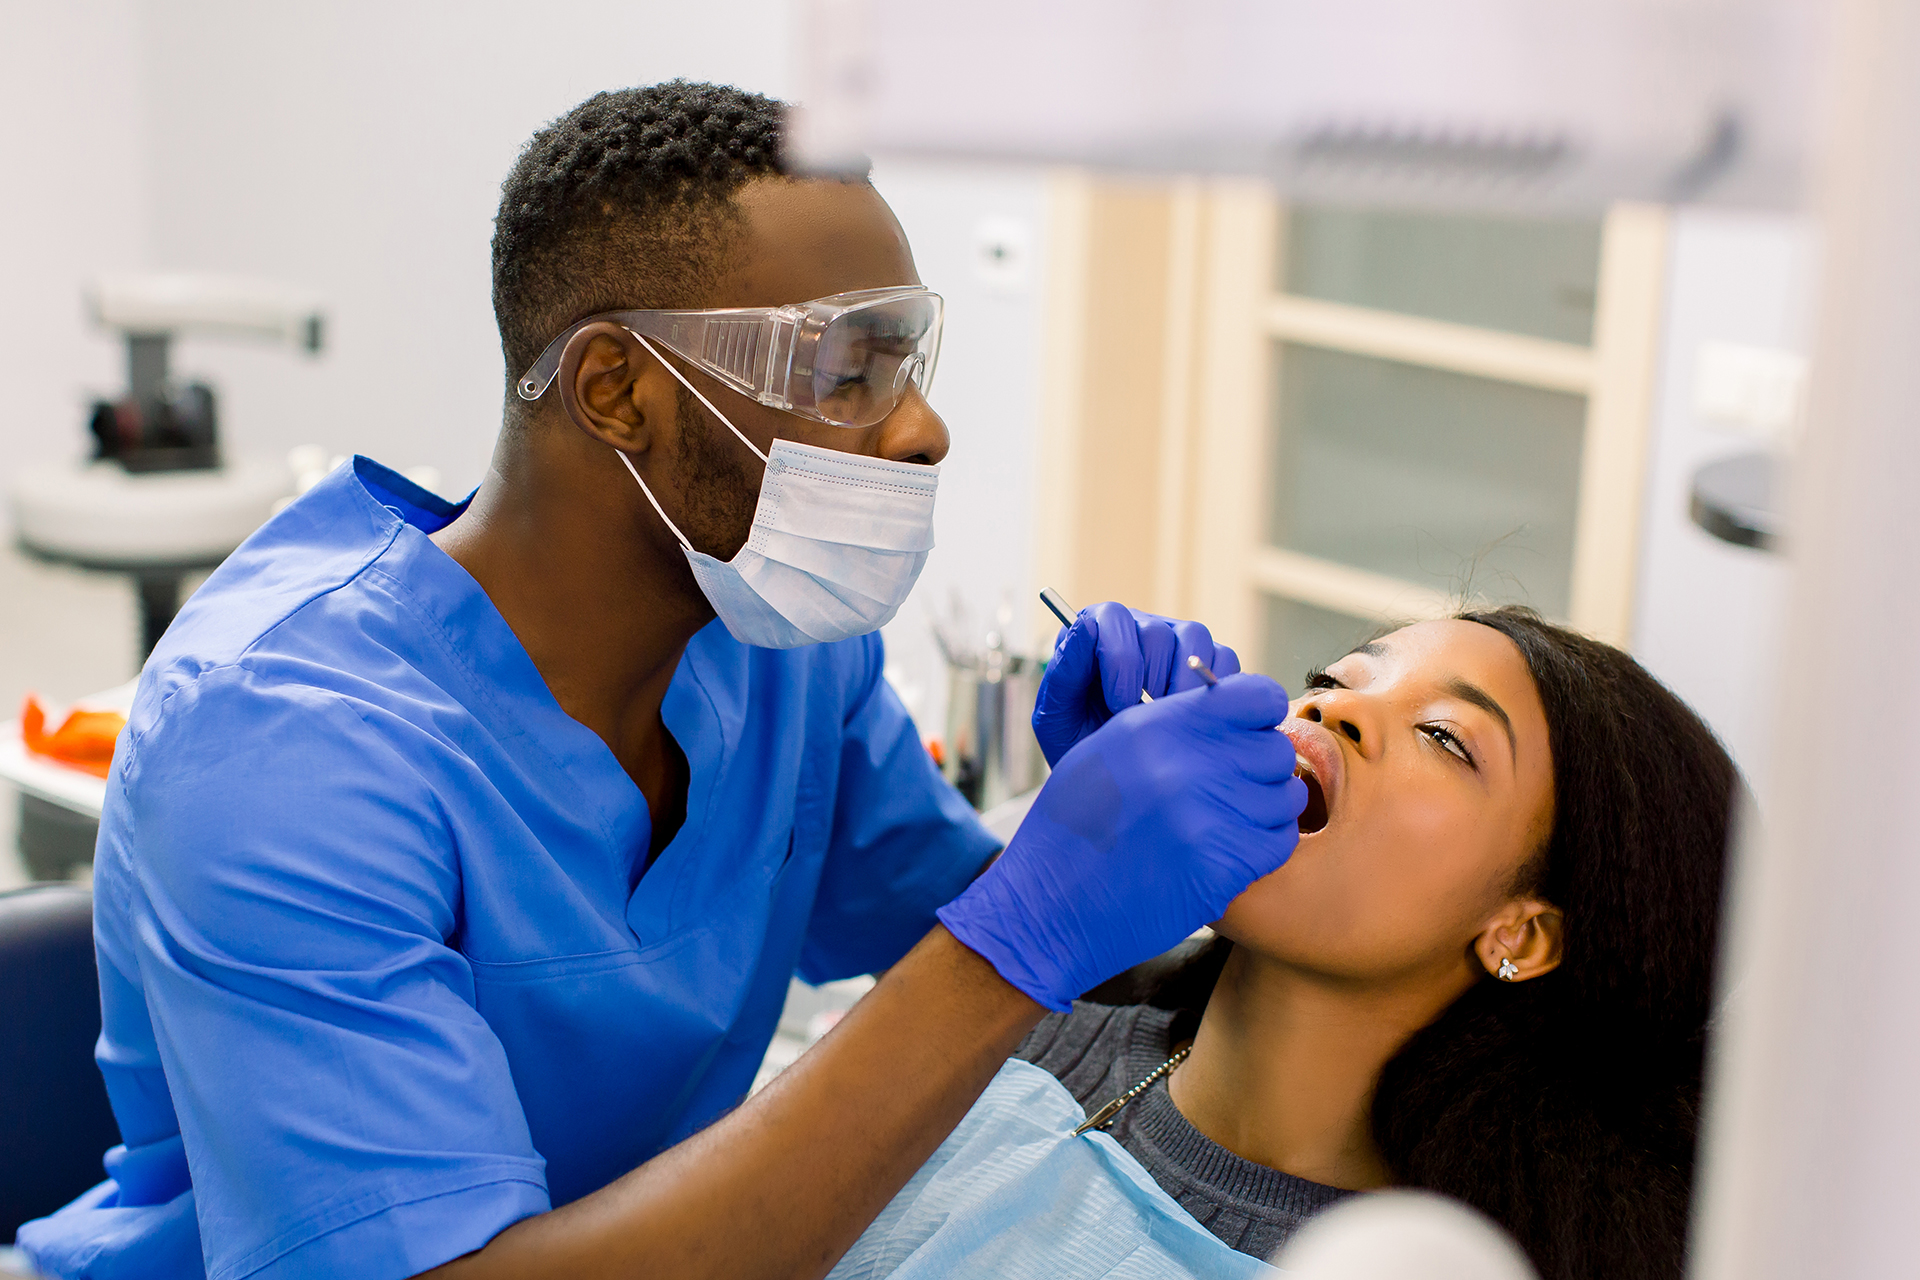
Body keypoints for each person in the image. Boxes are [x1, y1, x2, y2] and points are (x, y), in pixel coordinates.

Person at [16, 84, 1307, 1280]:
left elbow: (965, 958)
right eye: (846, 370)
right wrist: (1033, 919)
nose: (921, 429)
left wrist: (1128, 861)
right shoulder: (281, 757)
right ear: (618, 392)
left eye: (910, 363)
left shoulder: (779, 645)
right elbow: (993, 961)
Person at [838, 607, 1737, 1280]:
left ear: (1522, 933)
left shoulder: (1405, 1262)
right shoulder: (998, 1039)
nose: (1333, 709)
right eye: (1340, 677)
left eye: (1443, 737)